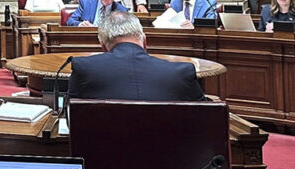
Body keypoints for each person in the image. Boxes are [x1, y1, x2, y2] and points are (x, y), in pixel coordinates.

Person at [68, 10, 204, 101]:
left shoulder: (84, 69)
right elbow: (205, 117)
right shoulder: (181, 73)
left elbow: (71, 120)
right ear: (144, 41)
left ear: (102, 45)